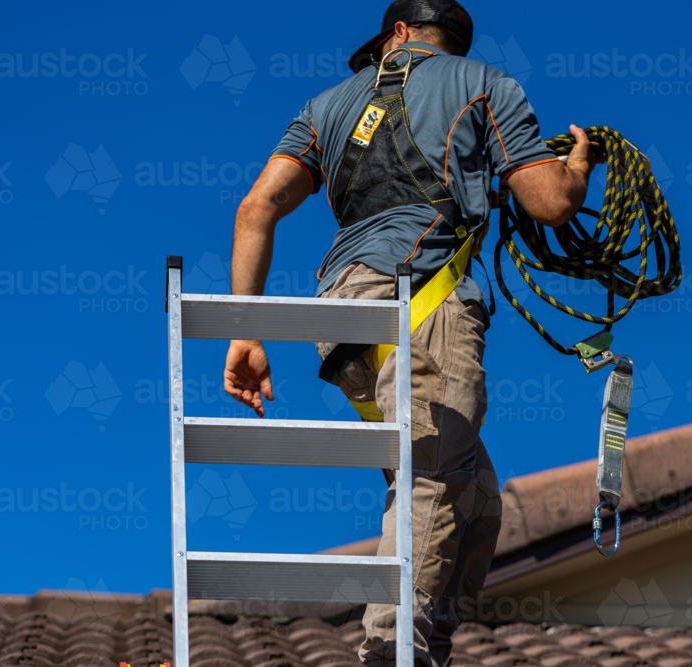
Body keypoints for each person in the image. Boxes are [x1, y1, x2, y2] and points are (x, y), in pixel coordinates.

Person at [223, 1, 599, 664]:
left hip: (342, 318)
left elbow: (257, 207)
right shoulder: (487, 86)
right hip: (422, 301)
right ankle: (393, 651)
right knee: (430, 476)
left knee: (476, 495)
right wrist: (577, 166)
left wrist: (244, 332)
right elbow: (550, 203)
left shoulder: (326, 106)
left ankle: (427, 647)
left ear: (397, 33)